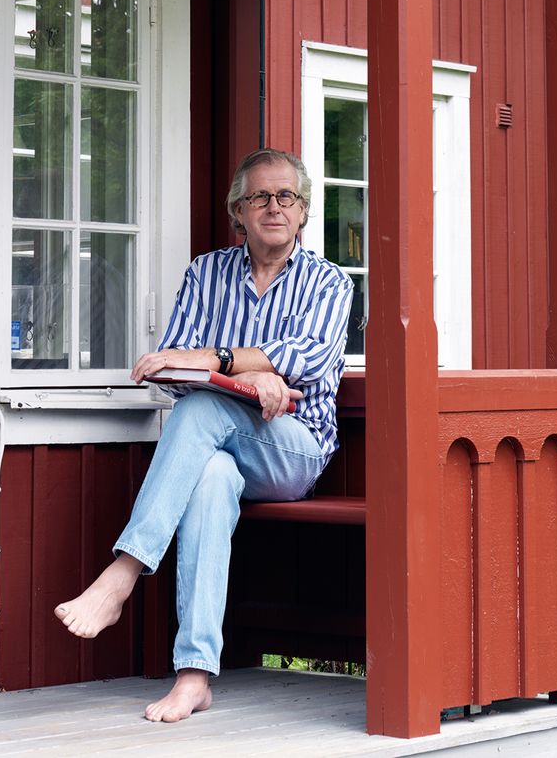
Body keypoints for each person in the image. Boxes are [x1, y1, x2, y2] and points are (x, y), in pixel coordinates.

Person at [54, 148, 353, 723]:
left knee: (203, 413)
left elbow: (307, 363)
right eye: (258, 197)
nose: (273, 207)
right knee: (210, 471)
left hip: (293, 449)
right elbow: (173, 371)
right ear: (236, 211)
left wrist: (223, 360)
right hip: (221, 447)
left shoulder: (329, 282)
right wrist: (254, 371)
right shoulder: (205, 273)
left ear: (304, 212)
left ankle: (123, 573)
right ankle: (195, 675)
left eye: (286, 197)